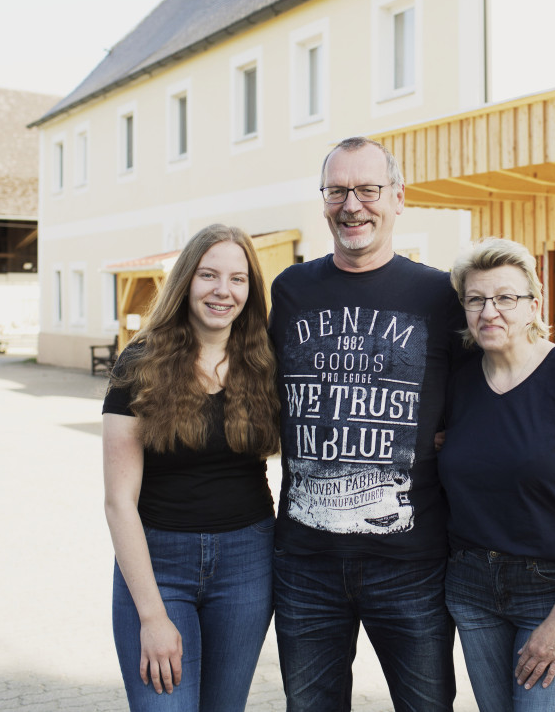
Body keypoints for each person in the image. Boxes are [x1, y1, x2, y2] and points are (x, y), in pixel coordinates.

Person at [267, 136, 468, 711]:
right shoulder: (292, 289)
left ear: (398, 198)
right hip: (305, 563)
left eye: (368, 190)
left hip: (410, 562)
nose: (352, 205)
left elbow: (474, 394)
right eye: (337, 191)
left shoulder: (439, 294)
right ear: (324, 200)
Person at [438, 237, 555, 712]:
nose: (489, 312)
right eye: (476, 300)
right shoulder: (459, 383)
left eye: (505, 298)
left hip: (551, 589)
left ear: (533, 306)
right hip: (471, 587)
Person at [102, 223, 281, 711]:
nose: (223, 291)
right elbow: (119, 502)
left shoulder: (265, 361)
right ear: (186, 281)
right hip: (159, 565)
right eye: (209, 275)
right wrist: (153, 616)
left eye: (238, 279)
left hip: (248, 561)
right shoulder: (139, 363)